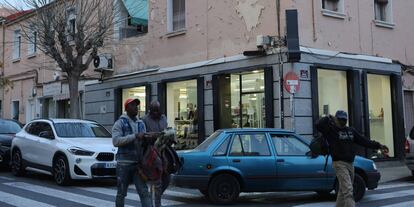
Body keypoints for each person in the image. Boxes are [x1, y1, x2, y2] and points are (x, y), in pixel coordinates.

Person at [315, 110, 389, 207]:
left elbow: (364, 141)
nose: (342, 121)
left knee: (343, 190)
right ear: (336, 119)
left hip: (350, 164)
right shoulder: (330, 131)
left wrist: (379, 145)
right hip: (339, 163)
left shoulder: (351, 131)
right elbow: (318, 125)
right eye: (340, 119)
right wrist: (329, 117)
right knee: (348, 189)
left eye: (344, 120)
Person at [112, 98, 152, 207]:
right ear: (126, 108)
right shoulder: (119, 123)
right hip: (123, 164)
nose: (136, 107)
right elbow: (116, 141)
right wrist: (134, 136)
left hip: (138, 164)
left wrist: (149, 138)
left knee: (144, 192)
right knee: (121, 193)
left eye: (137, 105)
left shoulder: (141, 124)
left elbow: (144, 142)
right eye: (133, 105)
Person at [142, 100, 169, 207]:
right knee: (157, 180)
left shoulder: (164, 118)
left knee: (167, 178)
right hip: (151, 152)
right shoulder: (144, 119)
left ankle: (156, 196)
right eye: (154, 111)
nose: (156, 113)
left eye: (158, 110)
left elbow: (166, 130)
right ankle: (157, 204)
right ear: (150, 110)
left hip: (164, 150)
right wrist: (151, 136)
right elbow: (142, 135)